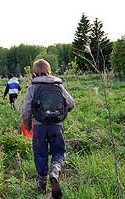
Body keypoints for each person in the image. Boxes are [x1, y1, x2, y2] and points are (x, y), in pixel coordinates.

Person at [22, 59, 75, 198]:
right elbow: (71, 103)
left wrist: (28, 125)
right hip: (56, 127)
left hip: (39, 127)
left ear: (34, 72)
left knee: (40, 154)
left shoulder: (33, 87)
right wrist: (60, 115)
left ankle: (41, 184)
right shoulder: (58, 85)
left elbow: (26, 110)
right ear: (49, 70)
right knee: (59, 151)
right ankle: (55, 171)